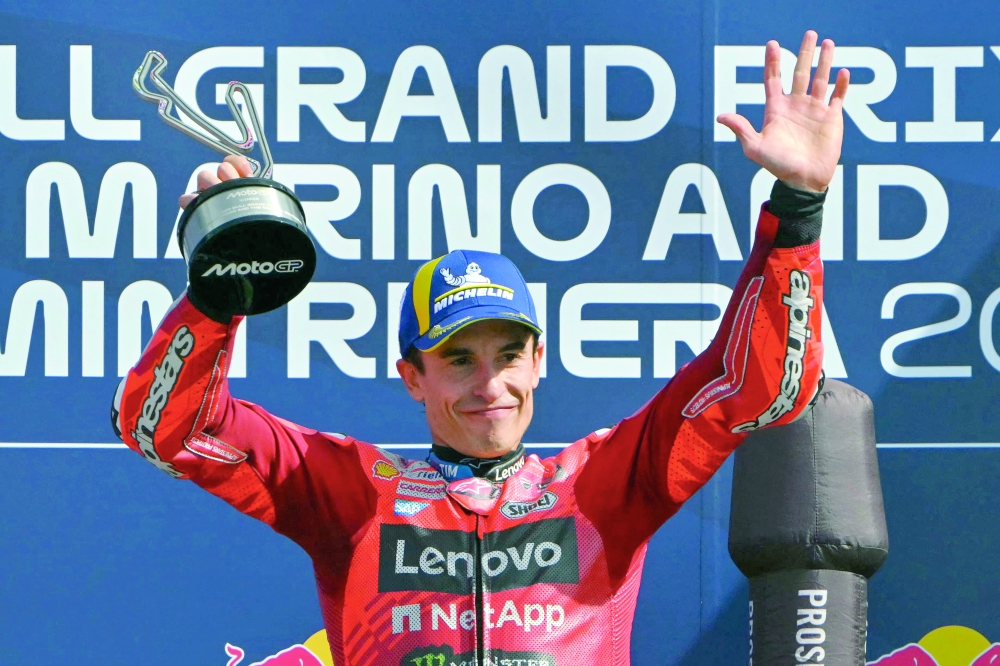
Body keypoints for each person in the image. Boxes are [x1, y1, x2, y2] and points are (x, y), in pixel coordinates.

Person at [113, 31, 846, 665]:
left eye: (508, 353)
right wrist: (219, 294)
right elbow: (166, 428)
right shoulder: (349, 492)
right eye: (459, 358)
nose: (489, 381)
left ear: (539, 361)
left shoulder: (603, 483)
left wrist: (798, 209)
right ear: (413, 378)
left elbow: (754, 387)